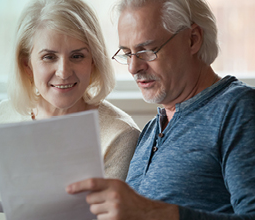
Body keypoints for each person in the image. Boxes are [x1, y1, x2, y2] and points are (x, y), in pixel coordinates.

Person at [0, 0, 141, 219]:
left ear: (94, 62)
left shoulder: (120, 135)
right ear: (27, 65)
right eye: (49, 57)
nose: (63, 71)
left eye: (77, 56)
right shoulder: (4, 115)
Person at [67, 0, 255, 219]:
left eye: (146, 50)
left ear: (193, 39)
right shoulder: (150, 131)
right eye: (127, 53)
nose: (133, 67)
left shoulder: (239, 110)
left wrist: (152, 212)